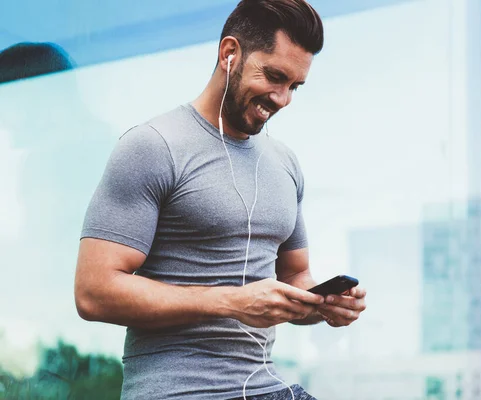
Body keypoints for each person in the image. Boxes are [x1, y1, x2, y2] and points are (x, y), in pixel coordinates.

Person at [74, 0, 367, 399]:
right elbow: (93, 292)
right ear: (230, 53)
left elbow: (296, 277)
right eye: (274, 76)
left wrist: (326, 304)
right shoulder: (153, 146)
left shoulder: (285, 163)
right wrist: (232, 302)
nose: (283, 99)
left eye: (294, 86)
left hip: (267, 389)